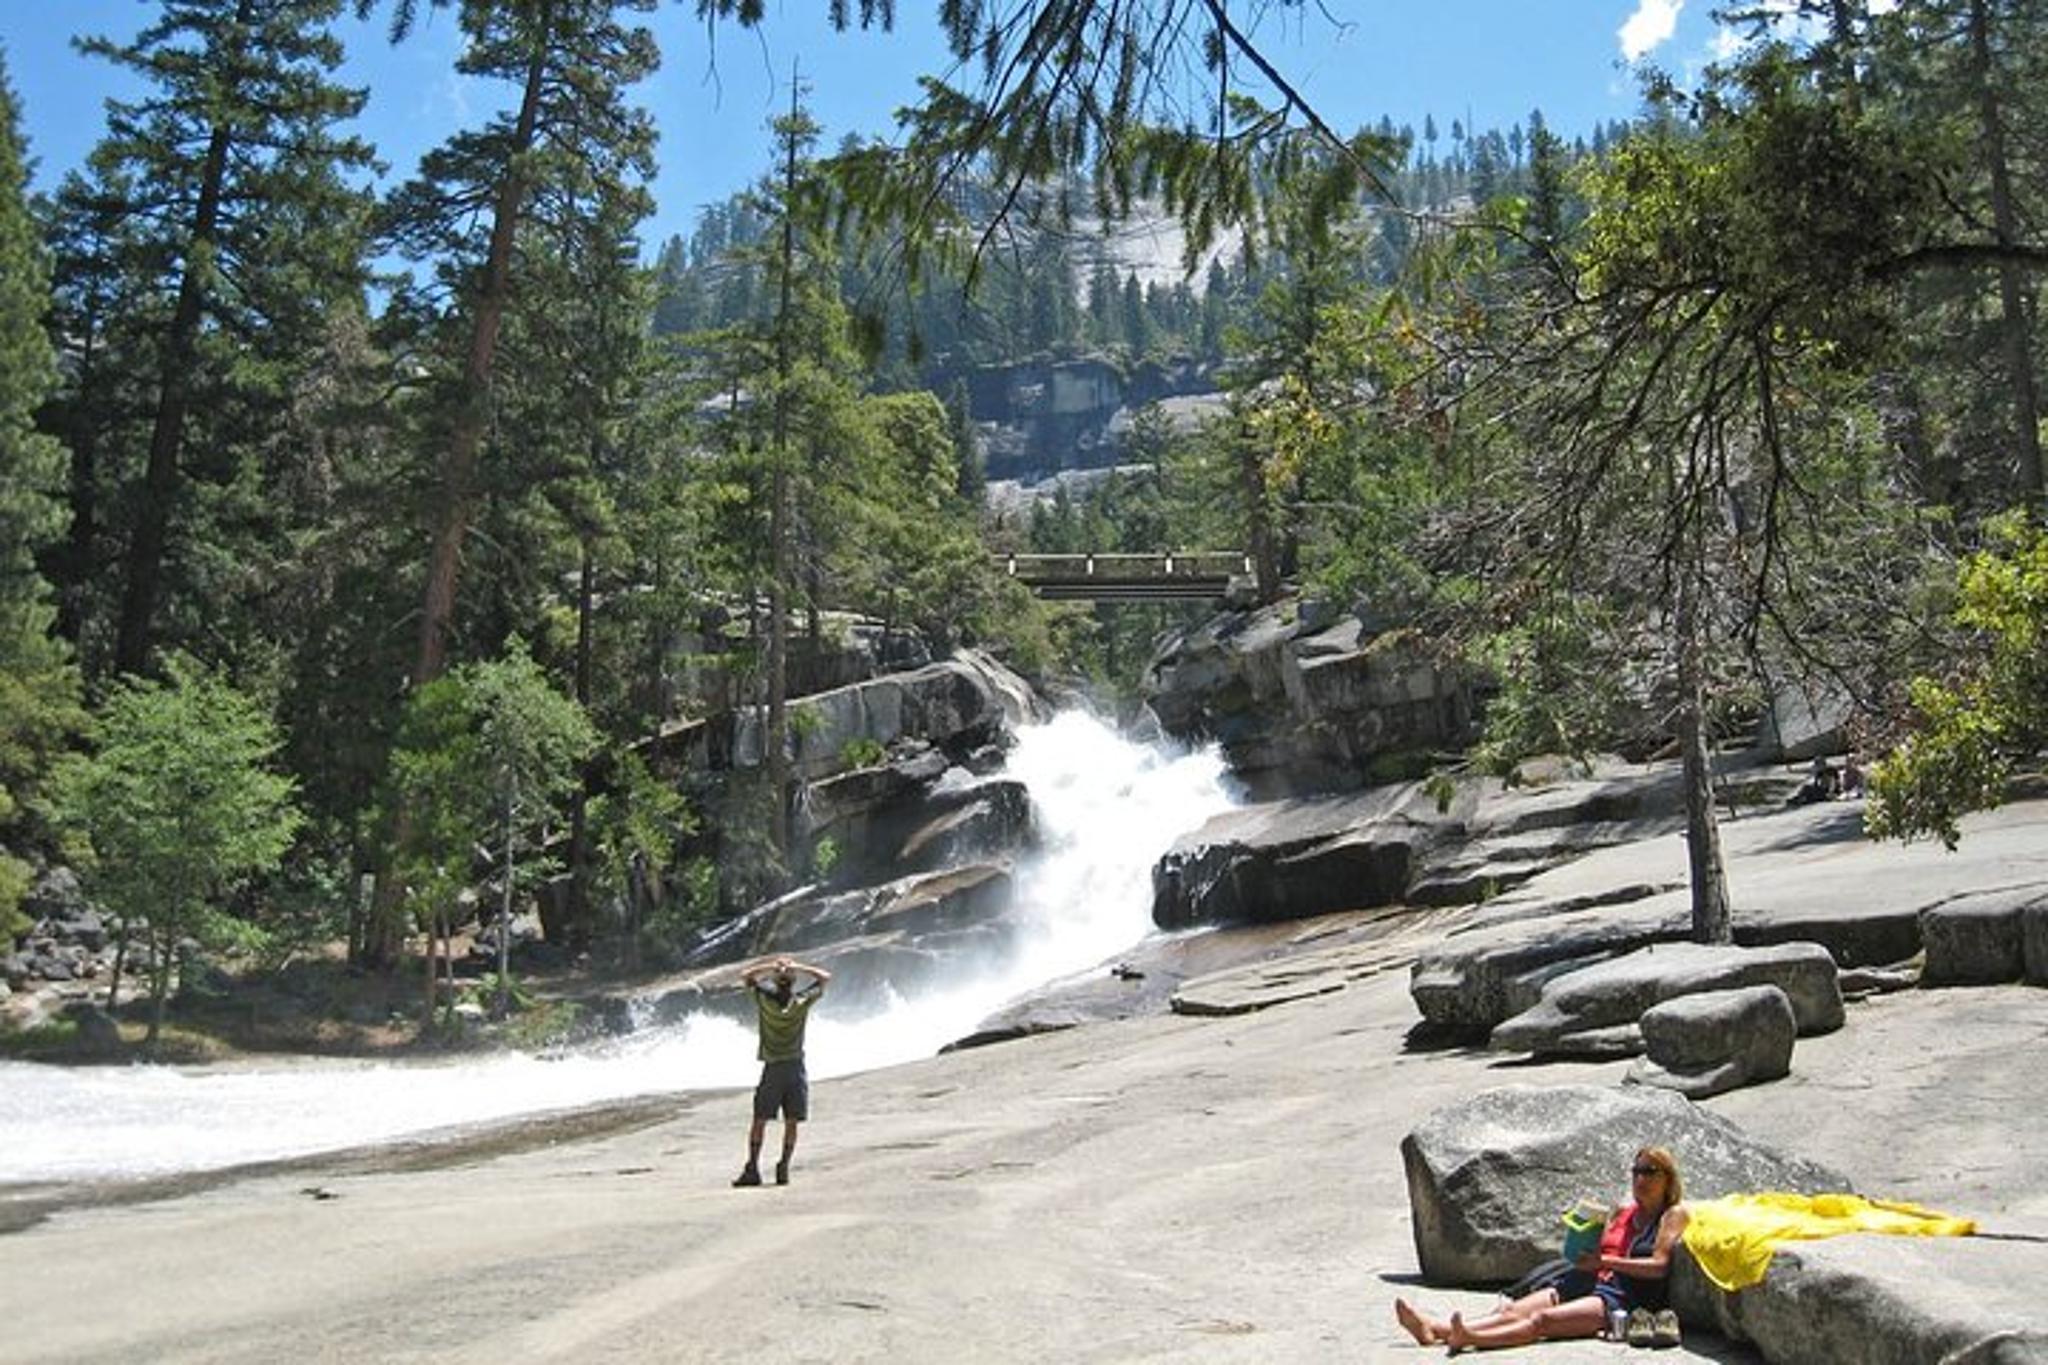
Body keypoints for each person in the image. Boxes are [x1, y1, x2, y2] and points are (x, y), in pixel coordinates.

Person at [1393, 1146, 1691, 1352]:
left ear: (1667, 1178)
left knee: (1541, 1322)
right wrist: (1582, 1238)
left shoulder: (1672, 1215)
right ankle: (1436, 1328)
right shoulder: (1624, 1212)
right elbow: (1598, 1253)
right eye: (1636, 1171)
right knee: (1514, 1310)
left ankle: (1471, 1338)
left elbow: (1659, 1266)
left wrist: (1606, 1261)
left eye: (1649, 1172)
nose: (1640, 1179)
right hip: (1587, 1280)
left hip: (1622, 1298)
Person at [733, 954, 832, 1188]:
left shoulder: (764, 1001)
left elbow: (745, 976)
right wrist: (795, 967)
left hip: (772, 1068)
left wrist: (772, 965)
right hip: (795, 1067)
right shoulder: (800, 1002)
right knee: (792, 1121)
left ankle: (753, 1168)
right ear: (793, 981)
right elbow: (825, 978)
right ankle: (783, 1166)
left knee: (760, 1120)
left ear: (776, 981)